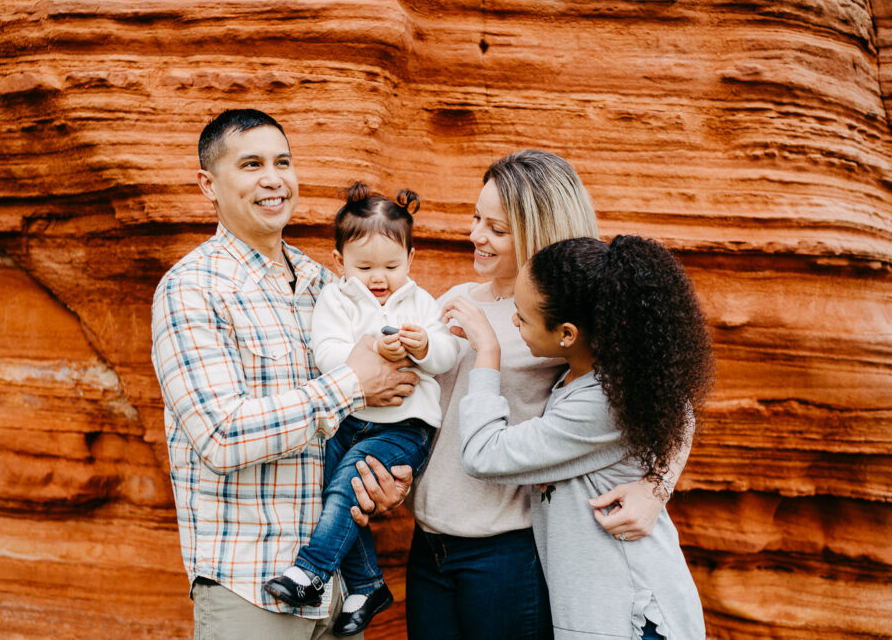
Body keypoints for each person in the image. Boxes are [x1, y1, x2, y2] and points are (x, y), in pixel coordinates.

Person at [401, 150, 691, 639]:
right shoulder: (454, 300)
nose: (476, 235)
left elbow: (670, 403)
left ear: (537, 231)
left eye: (496, 228)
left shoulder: (560, 323)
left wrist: (657, 488)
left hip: (508, 552)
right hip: (428, 543)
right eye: (476, 218)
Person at [151, 109, 417, 639]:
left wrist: (388, 477)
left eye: (283, 162)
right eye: (251, 164)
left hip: (339, 588)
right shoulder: (191, 289)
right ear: (209, 184)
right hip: (249, 584)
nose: (273, 179)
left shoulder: (329, 284)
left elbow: (376, 406)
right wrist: (350, 384)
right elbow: (221, 435)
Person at [449, 235, 713, 639]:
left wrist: (487, 353)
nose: (513, 323)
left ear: (567, 334)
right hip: (602, 613)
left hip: (630, 619)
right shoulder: (605, 374)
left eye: (522, 316)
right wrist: (658, 484)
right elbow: (681, 409)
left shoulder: (603, 402)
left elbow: (484, 455)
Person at [265, 183, 458, 636]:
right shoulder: (337, 299)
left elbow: (448, 355)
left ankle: (311, 573)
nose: (378, 277)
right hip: (350, 421)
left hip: (405, 428)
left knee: (345, 488)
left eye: (391, 266)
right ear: (339, 262)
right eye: (364, 266)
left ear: (411, 260)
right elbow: (326, 352)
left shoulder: (420, 301)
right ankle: (367, 583)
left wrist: (425, 346)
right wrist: (366, 353)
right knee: (332, 492)